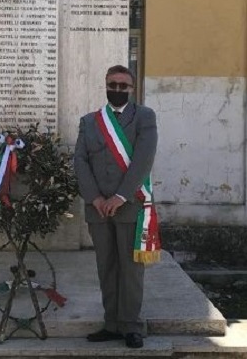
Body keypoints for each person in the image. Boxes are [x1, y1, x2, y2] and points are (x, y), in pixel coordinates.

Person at [73, 65, 160, 349]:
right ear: (106, 85)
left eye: (124, 86)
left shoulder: (144, 117)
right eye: (113, 85)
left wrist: (120, 196)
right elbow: (80, 161)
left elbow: (144, 159)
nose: (118, 90)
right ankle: (111, 324)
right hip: (98, 208)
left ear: (132, 89)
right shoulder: (90, 121)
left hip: (129, 205)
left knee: (131, 270)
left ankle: (131, 326)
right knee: (106, 267)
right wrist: (95, 198)